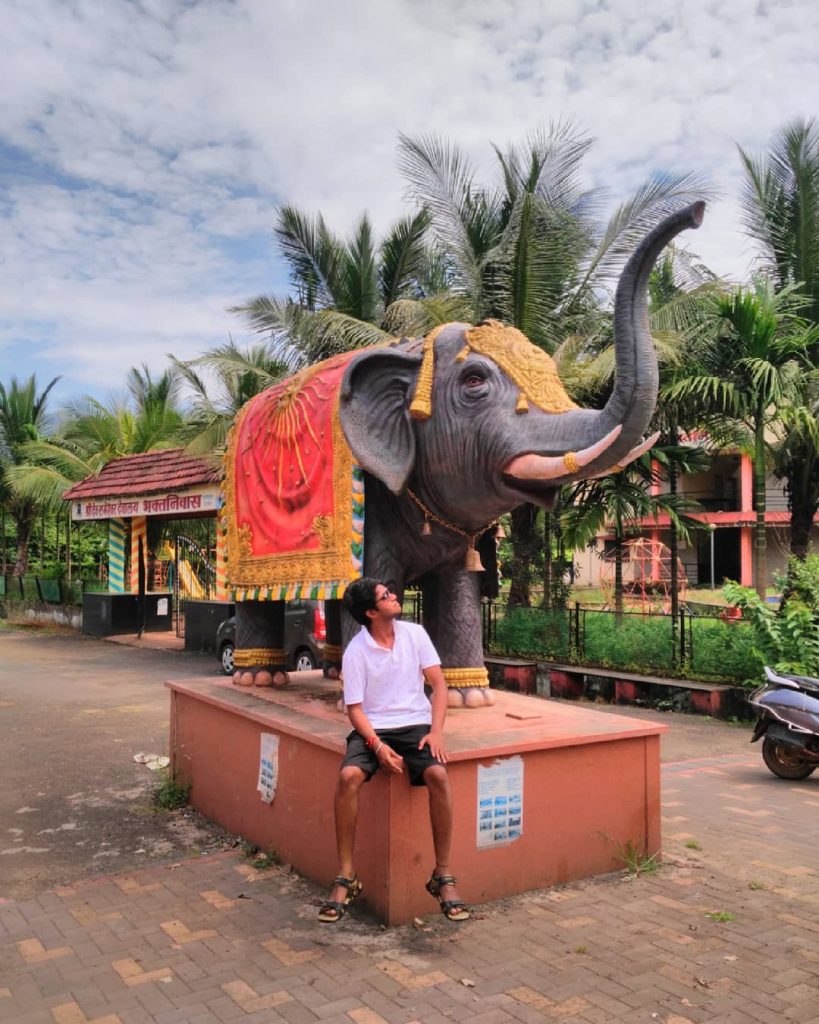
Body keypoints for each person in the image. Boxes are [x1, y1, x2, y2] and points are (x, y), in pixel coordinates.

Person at [318, 577, 469, 923]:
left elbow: (439, 685)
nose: (394, 596)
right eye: (386, 596)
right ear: (371, 612)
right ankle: (346, 876)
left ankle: (441, 875)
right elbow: (355, 709)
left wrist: (436, 732)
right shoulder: (356, 651)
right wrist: (377, 746)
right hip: (374, 729)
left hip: (416, 726)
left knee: (439, 776)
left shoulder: (415, 634)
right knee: (348, 777)